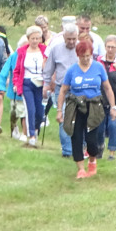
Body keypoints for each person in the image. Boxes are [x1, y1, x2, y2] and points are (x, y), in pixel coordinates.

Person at [57, 41, 116, 179]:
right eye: (83, 56)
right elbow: (63, 90)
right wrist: (60, 110)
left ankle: (92, 161)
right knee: (76, 137)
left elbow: (107, 88)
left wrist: (113, 107)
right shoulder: (72, 70)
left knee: (92, 139)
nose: (85, 58)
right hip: (76, 106)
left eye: (88, 56)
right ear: (78, 55)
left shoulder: (98, 67)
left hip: (94, 106)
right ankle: (81, 169)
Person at [44, 23, 79, 157]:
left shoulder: (82, 49)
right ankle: (67, 151)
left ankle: (80, 148)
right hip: (61, 89)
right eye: (68, 39)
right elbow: (48, 69)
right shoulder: (56, 49)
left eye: (73, 39)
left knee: (78, 119)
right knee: (63, 117)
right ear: (63, 37)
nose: (71, 42)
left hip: (79, 90)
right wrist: (46, 85)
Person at [13, 25, 47, 147]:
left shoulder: (45, 50)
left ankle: (36, 129)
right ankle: (31, 134)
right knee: (30, 109)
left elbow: (49, 67)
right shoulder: (22, 51)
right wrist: (16, 84)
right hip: (27, 83)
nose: (35, 41)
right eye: (33, 38)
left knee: (39, 111)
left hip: (40, 83)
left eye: (38, 38)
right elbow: (17, 70)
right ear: (28, 38)